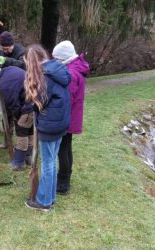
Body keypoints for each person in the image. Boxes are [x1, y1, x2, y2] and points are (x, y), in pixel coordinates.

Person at [23, 44, 71, 211]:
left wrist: (32, 102)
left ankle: (43, 202)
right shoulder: (57, 69)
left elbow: (41, 101)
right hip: (60, 123)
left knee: (48, 163)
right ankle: (50, 197)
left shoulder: (45, 76)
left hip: (50, 125)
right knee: (51, 160)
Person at [0, 62, 33, 171]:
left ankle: (19, 163)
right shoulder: (9, 69)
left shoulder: (6, 85)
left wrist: (17, 117)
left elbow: (14, 104)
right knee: (30, 130)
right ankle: (28, 157)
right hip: (36, 100)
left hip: (29, 105)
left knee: (22, 131)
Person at [52, 41, 90, 195]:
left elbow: (66, 98)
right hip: (71, 116)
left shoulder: (71, 74)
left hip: (67, 117)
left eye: (57, 59)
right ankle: (64, 178)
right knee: (66, 148)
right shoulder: (73, 67)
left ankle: (63, 183)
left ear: (63, 58)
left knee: (63, 150)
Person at [0, 31, 27, 147]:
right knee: (6, 115)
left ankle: (23, 143)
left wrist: (6, 60)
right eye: (3, 49)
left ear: (13, 44)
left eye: (7, 49)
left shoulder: (22, 52)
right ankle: (7, 141)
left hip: (20, 89)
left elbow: (25, 66)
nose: (5, 51)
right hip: (5, 87)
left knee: (20, 116)